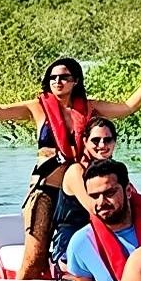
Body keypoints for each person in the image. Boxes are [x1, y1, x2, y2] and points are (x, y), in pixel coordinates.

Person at [0, 58, 141, 279]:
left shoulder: (90, 108)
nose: (57, 81)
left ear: (75, 81)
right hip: (46, 190)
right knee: (35, 258)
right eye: (52, 78)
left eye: (64, 77)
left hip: (80, 191)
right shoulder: (37, 107)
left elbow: (127, 107)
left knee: (92, 245)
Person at [50, 116, 122, 270]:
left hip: (101, 240)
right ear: (85, 142)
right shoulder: (75, 172)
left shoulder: (114, 173)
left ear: (114, 142)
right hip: (69, 245)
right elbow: (96, 209)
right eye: (95, 140)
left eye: (107, 140)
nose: (102, 145)